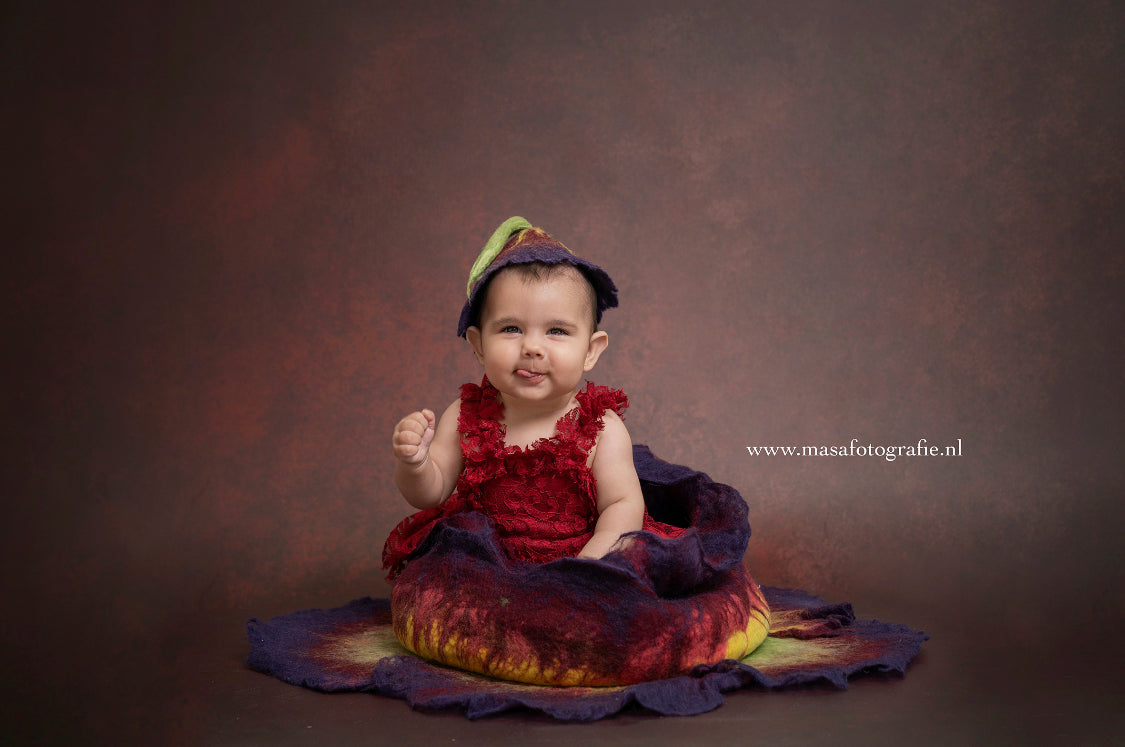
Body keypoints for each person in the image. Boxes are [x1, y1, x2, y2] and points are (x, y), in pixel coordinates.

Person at [382, 217, 685, 577]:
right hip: (485, 565)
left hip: (579, 560)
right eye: (511, 329)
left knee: (609, 616)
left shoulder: (602, 429)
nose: (532, 347)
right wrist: (415, 464)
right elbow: (430, 494)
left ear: (591, 351)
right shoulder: (466, 416)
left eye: (557, 331)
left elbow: (622, 506)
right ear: (479, 345)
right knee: (435, 599)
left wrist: (588, 568)